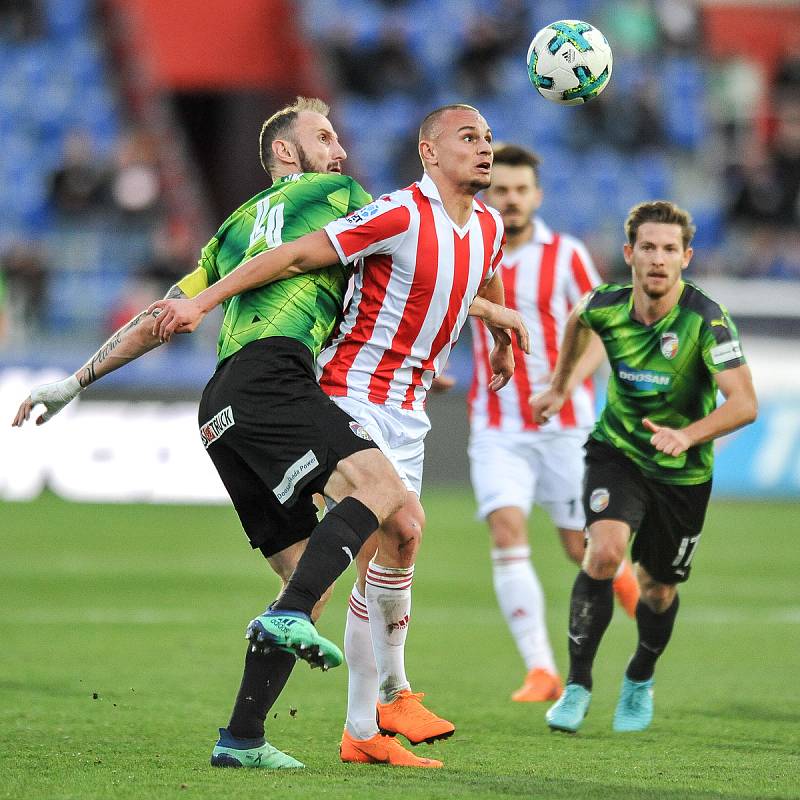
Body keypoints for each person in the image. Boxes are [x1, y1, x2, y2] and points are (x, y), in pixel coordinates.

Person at [14, 99, 526, 768]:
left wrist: (75, 380)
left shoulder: (228, 233)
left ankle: (243, 738)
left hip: (219, 407)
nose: (340, 151)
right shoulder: (343, 196)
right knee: (378, 499)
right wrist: (470, 324)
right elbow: (322, 257)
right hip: (277, 377)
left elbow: (161, 316)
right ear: (287, 153)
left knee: (310, 579)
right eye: (324, 136)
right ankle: (385, 694)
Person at [531, 200, 757, 733]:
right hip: (618, 453)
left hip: (682, 473)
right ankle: (578, 685)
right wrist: (561, 386)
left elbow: (744, 403)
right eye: (649, 248)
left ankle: (639, 675)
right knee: (604, 554)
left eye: (670, 249)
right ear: (630, 254)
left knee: (657, 588)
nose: (659, 258)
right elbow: (577, 321)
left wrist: (688, 435)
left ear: (686, 258)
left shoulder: (708, 321)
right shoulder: (605, 305)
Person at [463, 144, 640, 705]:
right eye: (501, 191)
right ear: (487, 194)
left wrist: (563, 385)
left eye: (520, 191)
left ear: (537, 197)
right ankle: (541, 670)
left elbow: (605, 333)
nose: (510, 200)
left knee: (579, 545)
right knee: (505, 530)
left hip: (567, 428)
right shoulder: (468, 251)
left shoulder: (565, 256)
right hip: (496, 424)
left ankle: (648, 609)